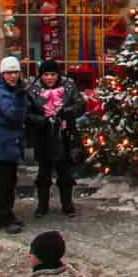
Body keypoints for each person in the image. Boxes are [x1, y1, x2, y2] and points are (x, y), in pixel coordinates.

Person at [28, 60, 86, 219]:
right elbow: (27, 113)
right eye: (46, 74)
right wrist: (41, 120)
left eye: (53, 74)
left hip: (65, 135)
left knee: (65, 172)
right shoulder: (33, 90)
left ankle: (67, 204)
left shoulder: (69, 87)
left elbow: (80, 105)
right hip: (44, 135)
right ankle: (42, 205)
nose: (49, 78)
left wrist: (66, 112)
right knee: (43, 173)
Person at [0, 55, 35, 234]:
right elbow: (12, 114)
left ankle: (9, 214)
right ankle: (3, 219)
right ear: (2, 74)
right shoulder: (1, 92)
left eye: (15, 72)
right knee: (4, 184)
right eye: (8, 73)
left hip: (11, 143)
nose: (12, 76)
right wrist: (20, 98)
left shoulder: (14, 90)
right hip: (2, 143)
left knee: (11, 181)